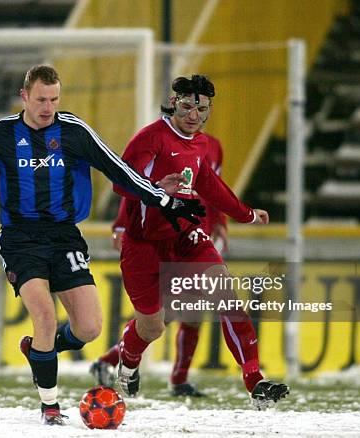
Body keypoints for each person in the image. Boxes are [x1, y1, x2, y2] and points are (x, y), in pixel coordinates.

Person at [0, 65, 206, 425]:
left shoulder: (74, 131)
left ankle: (38, 352)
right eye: (41, 100)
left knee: (89, 329)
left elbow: (119, 170)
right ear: (25, 97)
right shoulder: (0, 134)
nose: (48, 107)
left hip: (65, 235)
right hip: (21, 238)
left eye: (54, 99)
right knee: (45, 317)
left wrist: (163, 200)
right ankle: (50, 406)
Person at [90, 75, 289, 409]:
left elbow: (211, 186)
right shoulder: (150, 138)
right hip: (144, 244)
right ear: (174, 103)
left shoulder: (203, 144)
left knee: (225, 295)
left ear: (208, 111)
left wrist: (246, 214)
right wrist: (154, 190)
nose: (193, 115)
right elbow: (121, 184)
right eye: (186, 106)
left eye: (201, 108)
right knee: (152, 326)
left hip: (187, 236)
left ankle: (255, 380)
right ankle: (127, 360)